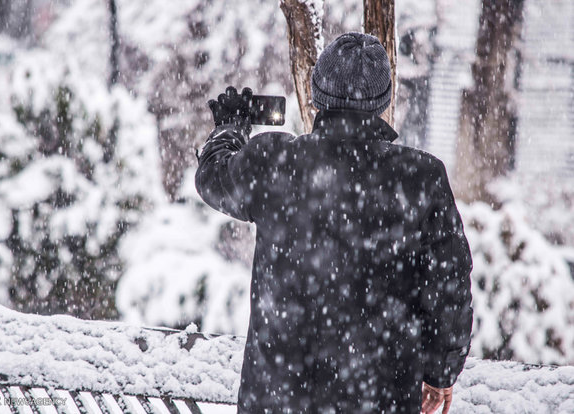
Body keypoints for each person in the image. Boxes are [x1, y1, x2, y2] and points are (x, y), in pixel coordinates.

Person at [196, 32, 473, 414]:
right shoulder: (420, 178)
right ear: (384, 101)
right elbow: (448, 286)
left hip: (279, 398)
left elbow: (212, 178)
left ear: (316, 93)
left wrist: (231, 127)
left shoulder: (276, 162)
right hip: (379, 397)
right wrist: (440, 373)